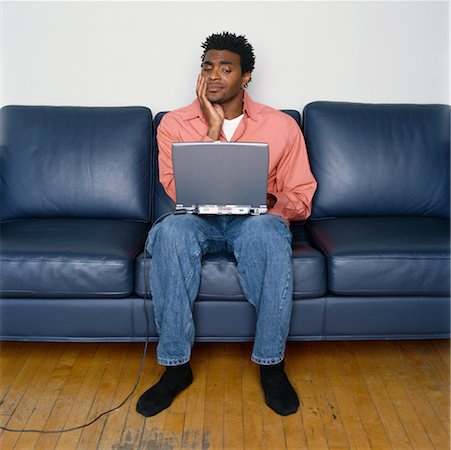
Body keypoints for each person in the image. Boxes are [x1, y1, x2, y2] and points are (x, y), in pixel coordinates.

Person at [136, 32, 317, 417]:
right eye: (207, 66)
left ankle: (271, 366)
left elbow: (301, 195)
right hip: (196, 222)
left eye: (225, 67)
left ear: (246, 76)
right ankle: (175, 367)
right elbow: (174, 188)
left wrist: (267, 201)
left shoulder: (282, 126)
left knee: (270, 232)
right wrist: (212, 130)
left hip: (252, 224)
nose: (214, 75)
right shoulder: (174, 125)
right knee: (170, 232)